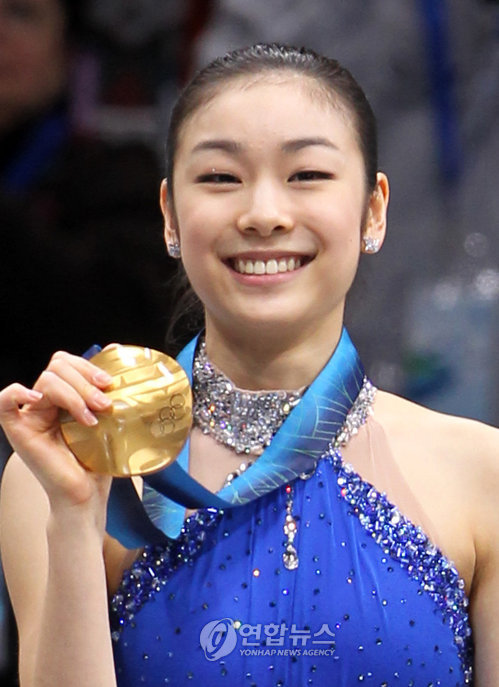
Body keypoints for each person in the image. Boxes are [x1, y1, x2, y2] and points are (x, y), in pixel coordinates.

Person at [0, 43, 498, 687]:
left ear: (373, 210)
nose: (263, 214)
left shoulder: (482, 474)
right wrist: (75, 516)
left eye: (307, 175)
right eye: (220, 178)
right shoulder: (68, 469)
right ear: (170, 215)